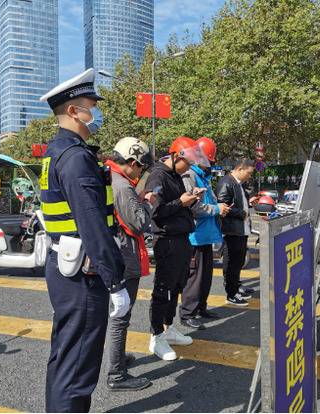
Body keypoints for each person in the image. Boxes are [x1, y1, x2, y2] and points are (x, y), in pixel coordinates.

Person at [39, 68, 130, 412]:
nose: (97, 112)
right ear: (74, 111)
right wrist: (115, 281)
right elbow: (93, 226)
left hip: (65, 266)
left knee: (66, 357)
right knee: (78, 366)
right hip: (82, 274)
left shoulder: (57, 152)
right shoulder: (77, 158)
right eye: (92, 105)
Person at [144, 136, 209, 360]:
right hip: (167, 240)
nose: (189, 167)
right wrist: (181, 202)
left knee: (177, 286)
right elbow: (156, 212)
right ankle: (156, 335)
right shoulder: (158, 175)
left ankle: (168, 326)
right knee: (163, 288)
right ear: (175, 156)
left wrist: (190, 199)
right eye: (187, 162)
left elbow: (177, 203)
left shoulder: (175, 175)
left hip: (182, 237)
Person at [104, 137, 154, 391]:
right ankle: (116, 374)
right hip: (124, 256)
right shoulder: (122, 186)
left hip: (115, 253)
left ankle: (119, 359)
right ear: (132, 162)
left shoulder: (109, 177)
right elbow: (140, 222)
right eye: (141, 167)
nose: (141, 172)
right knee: (121, 315)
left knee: (119, 314)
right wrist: (147, 202)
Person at [179, 137, 231, 329]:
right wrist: (217, 209)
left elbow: (210, 201)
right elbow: (193, 207)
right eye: (210, 159)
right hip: (195, 236)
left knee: (206, 277)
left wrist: (220, 207)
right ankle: (187, 313)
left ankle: (201, 307)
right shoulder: (190, 176)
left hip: (207, 235)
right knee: (194, 278)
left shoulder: (204, 177)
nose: (211, 163)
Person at [216, 159, 256, 306]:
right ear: (240, 169)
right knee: (232, 262)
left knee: (238, 262)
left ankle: (236, 287)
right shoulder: (227, 182)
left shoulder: (238, 184)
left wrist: (249, 203)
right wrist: (241, 213)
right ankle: (231, 294)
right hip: (232, 230)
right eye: (249, 173)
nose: (249, 176)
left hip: (240, 229)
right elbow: (222, 206)